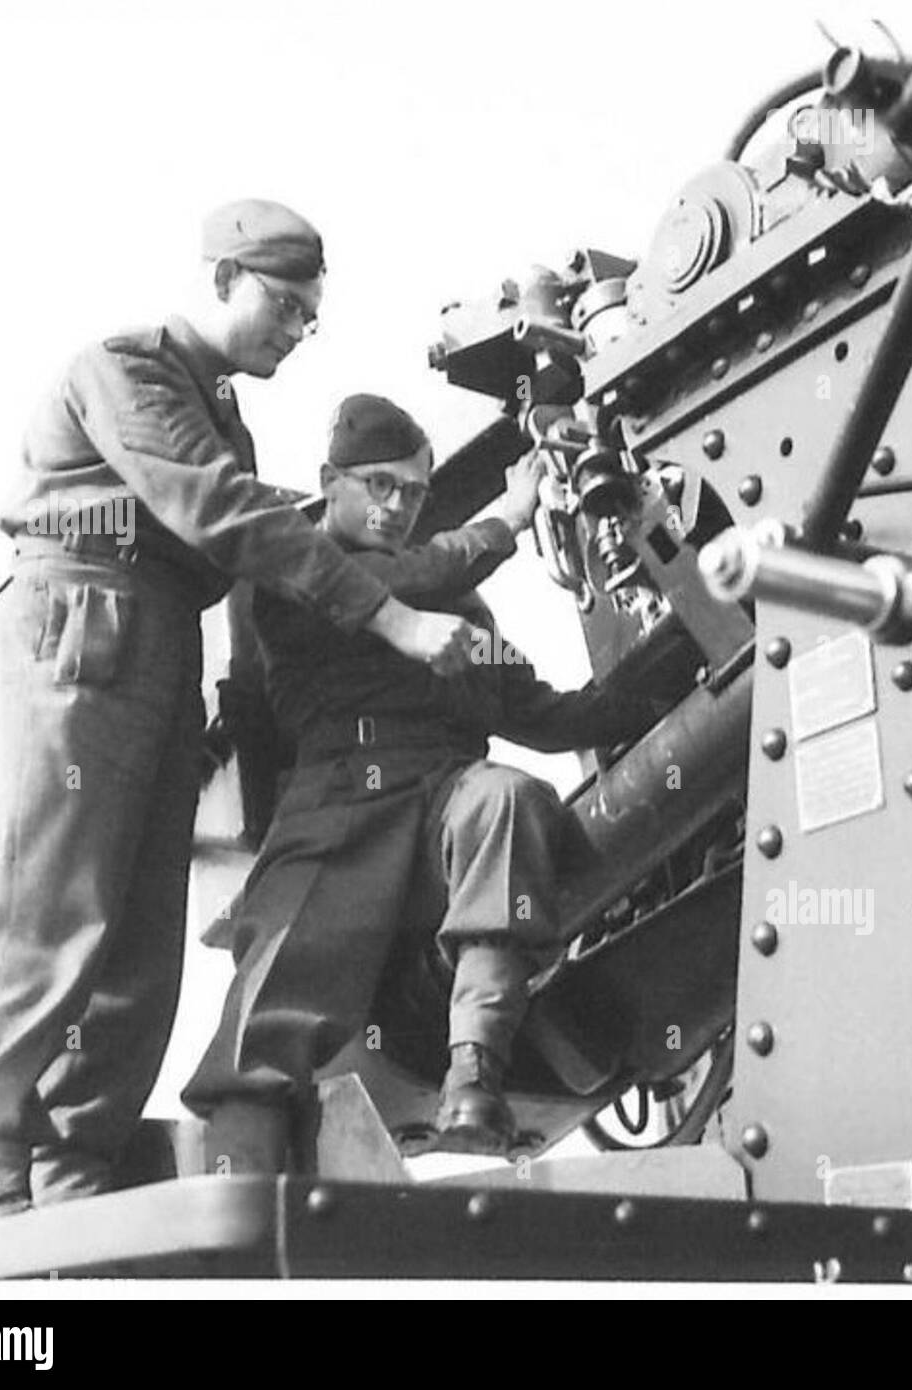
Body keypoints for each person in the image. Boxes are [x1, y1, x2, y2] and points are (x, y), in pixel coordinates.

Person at [0, 201, 505, 1223]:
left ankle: (69, 1178)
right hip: (79, 627)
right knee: (57, 913)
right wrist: (394, 620)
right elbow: (228, 514)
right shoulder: (130, 368)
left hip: (154, 653)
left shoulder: (221, 415)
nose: (295, 328)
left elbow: (283, 523)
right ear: (221, 279)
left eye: (310, 316)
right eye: (284, 304)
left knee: (139, 948)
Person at [182, 393, 659, 1162]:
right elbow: (404, 577)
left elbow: (537, 711)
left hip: (445, 797)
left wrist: (666, 686)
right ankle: (239, 1178)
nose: (398, 506)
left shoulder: (458, 605)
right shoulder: (294, 565)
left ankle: (473, 1078)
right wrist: (508, 516)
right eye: (380, 486)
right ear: (330, 481)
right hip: (338, 806)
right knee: (273, 999)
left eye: (413, 491)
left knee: (508, 798)